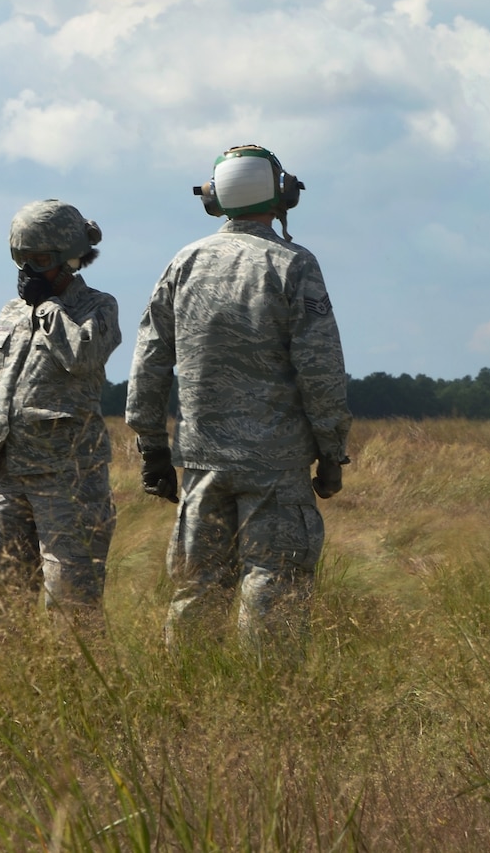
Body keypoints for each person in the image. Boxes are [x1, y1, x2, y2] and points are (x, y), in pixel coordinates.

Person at [126, 144, 350, 655]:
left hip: (202, 460)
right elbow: (321, 369)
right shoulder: (294, 264)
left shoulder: (184, 262)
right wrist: (332, 450)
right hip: (275, 462)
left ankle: (187, 689)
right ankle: (268, 701)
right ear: (281, 195)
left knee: (196, 588)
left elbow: (149, 359)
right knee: (274, 584)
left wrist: (152, 447)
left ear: (215, 198)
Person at [0, 200, 120, 627]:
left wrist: (47, 307)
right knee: (0, 602)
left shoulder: (98, 308)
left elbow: (82, 356)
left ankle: (78, 688)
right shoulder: (10, 312)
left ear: (70, 259)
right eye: (20, 259)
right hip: (4, 479)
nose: (28, 271)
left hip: (68, 482)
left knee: (72, 605)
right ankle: (8, 687)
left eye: (40, 260)